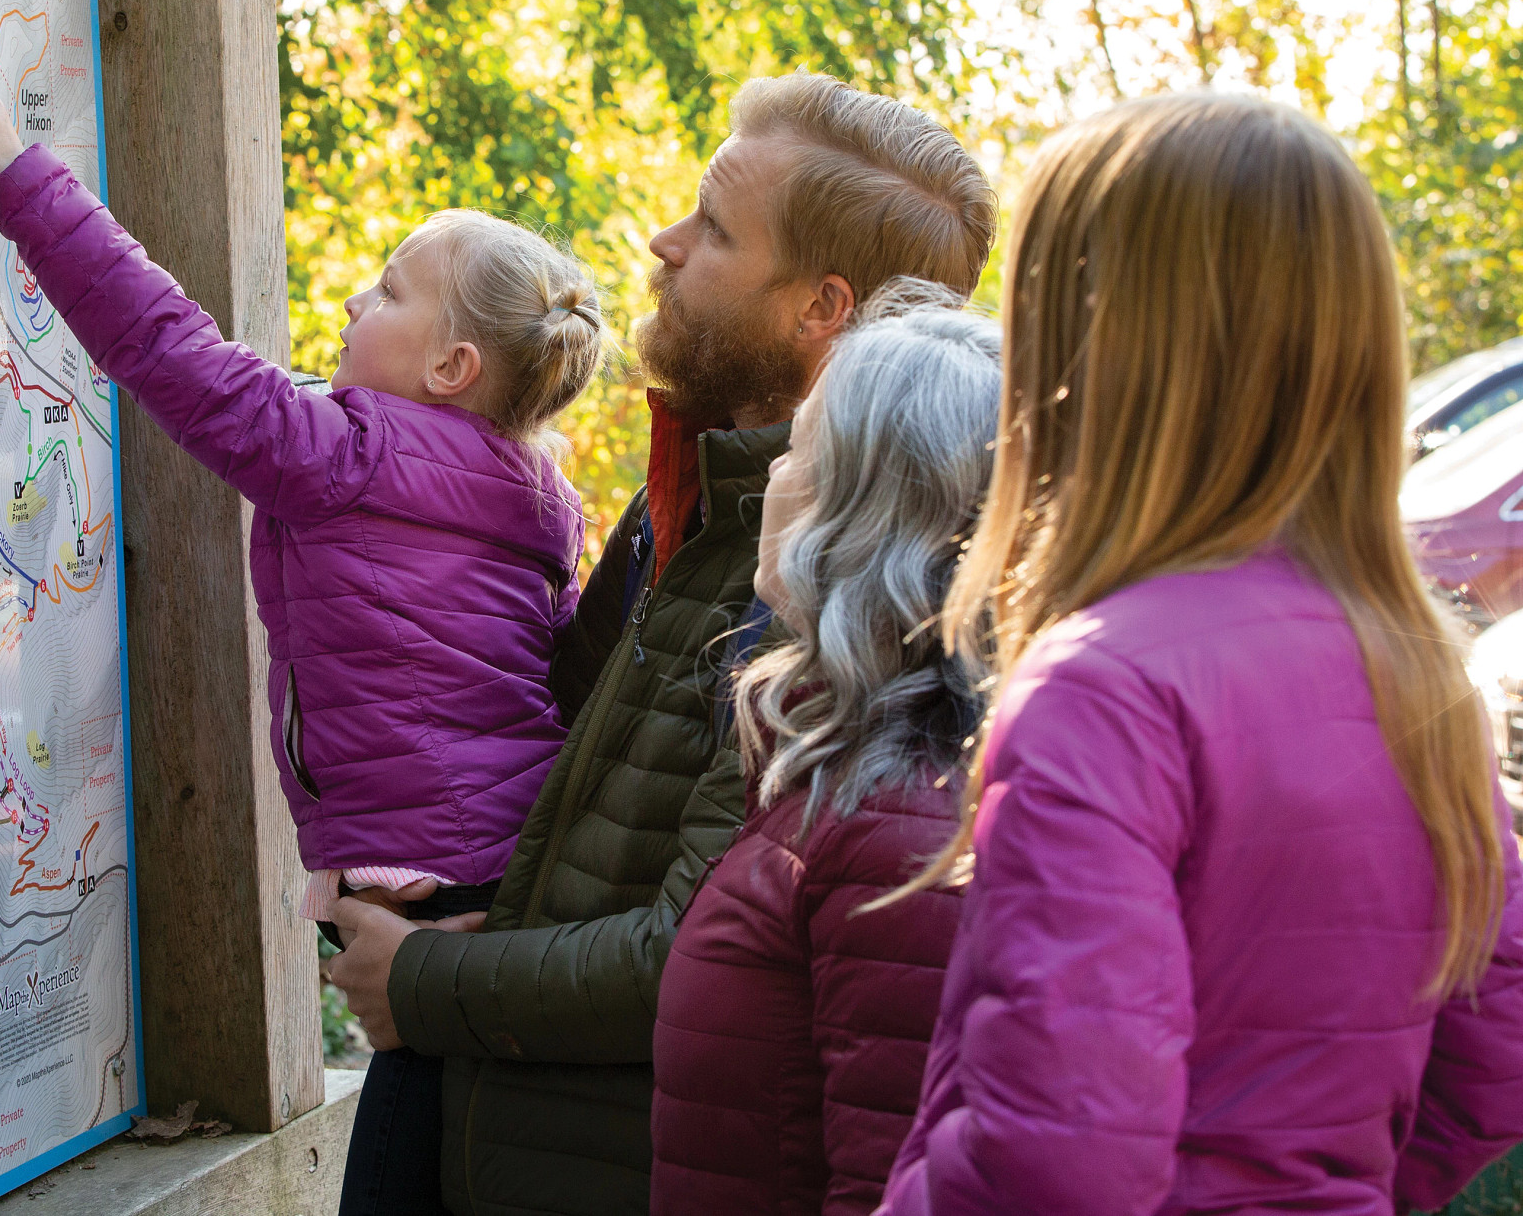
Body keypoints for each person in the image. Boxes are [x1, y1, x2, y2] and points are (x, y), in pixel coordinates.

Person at [0, 59, 609, 1215]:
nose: (354, 302)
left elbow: (165, 345)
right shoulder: (539, 494)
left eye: (388, 292)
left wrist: (14, 172)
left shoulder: (339, 456)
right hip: (506, 869)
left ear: (451, 369)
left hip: (430, 897)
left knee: (398, 1170)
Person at [327, 72, 999, 1216]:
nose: (665, 241)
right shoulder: (686, 493)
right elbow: (556, 758)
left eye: (716, 230)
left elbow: (687, 948)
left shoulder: (825, 581)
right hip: (491, 1105)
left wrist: (427, 981)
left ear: (818, 307)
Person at [874, 92, 1523, 1215]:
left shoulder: (1102, 690)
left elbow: (1057, 1162)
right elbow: (1495, 1040)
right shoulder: (1424, 673)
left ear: (1077, 351)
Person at [651, 283, 999, 1216]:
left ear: (868, 506)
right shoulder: (844, 758)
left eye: (803, 449)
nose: (772, 474)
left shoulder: (899, 830)